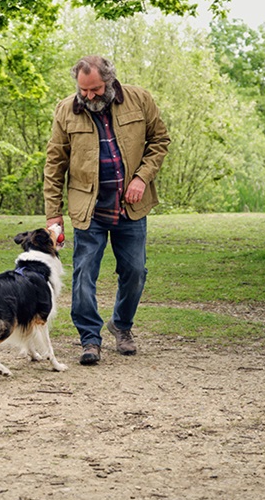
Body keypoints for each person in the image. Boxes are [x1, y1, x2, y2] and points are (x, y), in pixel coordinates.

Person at [44, 55, 170, 365]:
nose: (89, 96)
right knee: (84, 274)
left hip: (130, 207)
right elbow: (54, 162)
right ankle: (90, 339)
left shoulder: (139, 99)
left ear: (110, 81)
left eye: (96, 89)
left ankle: (122, 326)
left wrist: (141, 178)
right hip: (88, 209)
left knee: (135, 272)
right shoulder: (65, 110)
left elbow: (159, 140)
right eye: (83, 90)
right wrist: (53, 214)